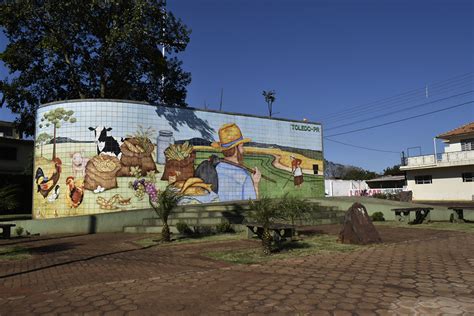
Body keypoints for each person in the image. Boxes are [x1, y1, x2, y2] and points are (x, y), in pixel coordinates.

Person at [211, 123, 261, 201]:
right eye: (241, 147)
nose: (243, 150)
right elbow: (252, 206)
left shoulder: (215, 169)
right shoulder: (243, 176)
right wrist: (255, 184)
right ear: (235, 149)